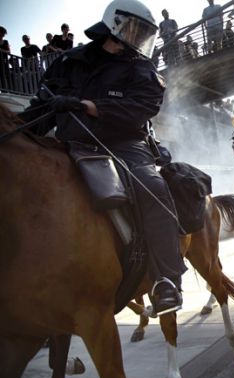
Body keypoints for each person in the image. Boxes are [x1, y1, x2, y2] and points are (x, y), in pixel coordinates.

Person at [20, 0, 186, 315]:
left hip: (125, 145)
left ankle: (166, 280)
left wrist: (88, 106)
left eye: (144, 33)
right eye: (136, 29)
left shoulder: (142, 68)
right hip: (69, 144)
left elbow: (140, 110)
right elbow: (41, 109)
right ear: (115, 24)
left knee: (154, 187)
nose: (139, 38)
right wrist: (24, 129)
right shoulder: (69, 61)